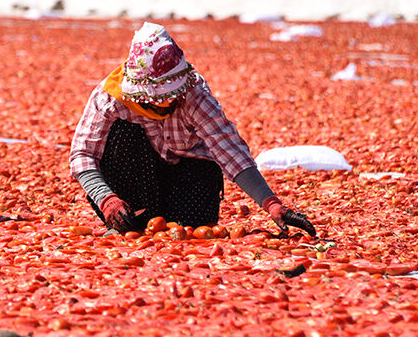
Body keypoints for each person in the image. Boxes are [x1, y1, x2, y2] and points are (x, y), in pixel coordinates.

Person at [70, 22, 317, 236]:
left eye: (172, 94)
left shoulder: (194, 95)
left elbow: (229, 151)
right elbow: (83, 154)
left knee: (192, 228)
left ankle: (155, 219)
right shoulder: (110, 97)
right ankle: (127, 217)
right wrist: (106, 199)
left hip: (188, 172)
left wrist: (272, 204)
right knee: (122, 133)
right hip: (136, 175)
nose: (168, 101)